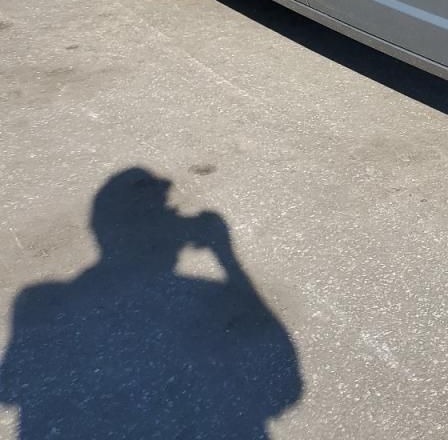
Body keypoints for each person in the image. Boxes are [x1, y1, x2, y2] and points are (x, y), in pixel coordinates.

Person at [0, 168, 302, 439]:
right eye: (168, 212)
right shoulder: (206, 297)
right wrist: (226, 255)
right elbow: (285, 389)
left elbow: (12, 388)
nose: (175, 216)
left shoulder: (37, 303)